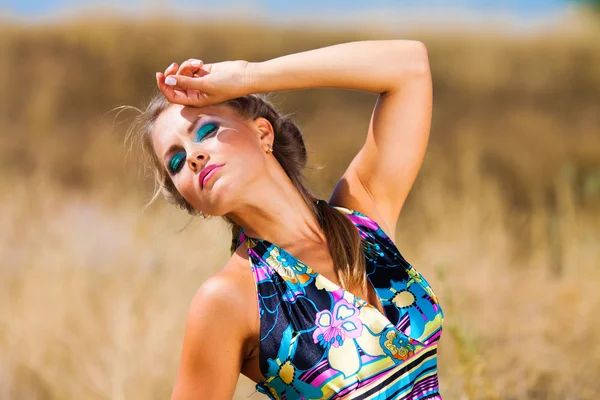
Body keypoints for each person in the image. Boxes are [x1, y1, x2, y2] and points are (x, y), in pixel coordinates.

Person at [132, 40, 444, 399]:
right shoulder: (229, 299)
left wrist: (250, 75)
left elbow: (409, 66)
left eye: (206, 131)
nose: (194, 156)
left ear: (263, 132)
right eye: (176, 162)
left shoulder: (361, 218)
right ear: (192, 202)